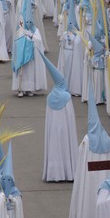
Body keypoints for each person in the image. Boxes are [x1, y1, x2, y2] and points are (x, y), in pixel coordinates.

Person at [68, 84, 110, 218]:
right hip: (104, 177)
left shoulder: (87, 139)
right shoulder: (107, 139)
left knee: (87, 197)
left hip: (89, 175)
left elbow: (80, 155)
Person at [41, 53, 78, 182]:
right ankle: (67, 172)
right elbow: (70, 117)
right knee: (65, 146)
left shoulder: (50, 97)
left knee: (54, 148)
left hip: (53, 130)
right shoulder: (67, 97)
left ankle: (53, 173)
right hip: (64, 129)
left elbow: (48, 117)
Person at [11, 0, 47, 97]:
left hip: (30, 48)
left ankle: (29, 88)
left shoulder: (32, 22)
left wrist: (32, 36)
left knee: (30, 69)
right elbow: (20, 29)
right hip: (22, 46)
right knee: (23, 69)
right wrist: (24, 34)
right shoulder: (21, 18)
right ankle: (20, 88)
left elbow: (36, 36)